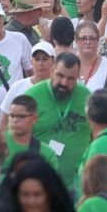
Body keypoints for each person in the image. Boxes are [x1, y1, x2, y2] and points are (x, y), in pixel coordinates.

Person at [22, 53, 92, 191]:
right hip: (41, 184)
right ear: (52, 70)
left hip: (77, 186)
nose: (64, 83)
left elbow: (96, 134)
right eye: (60, 75)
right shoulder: (32, 96)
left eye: (71, 78)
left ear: (77, 77)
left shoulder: (86, 97)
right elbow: (18, 137)